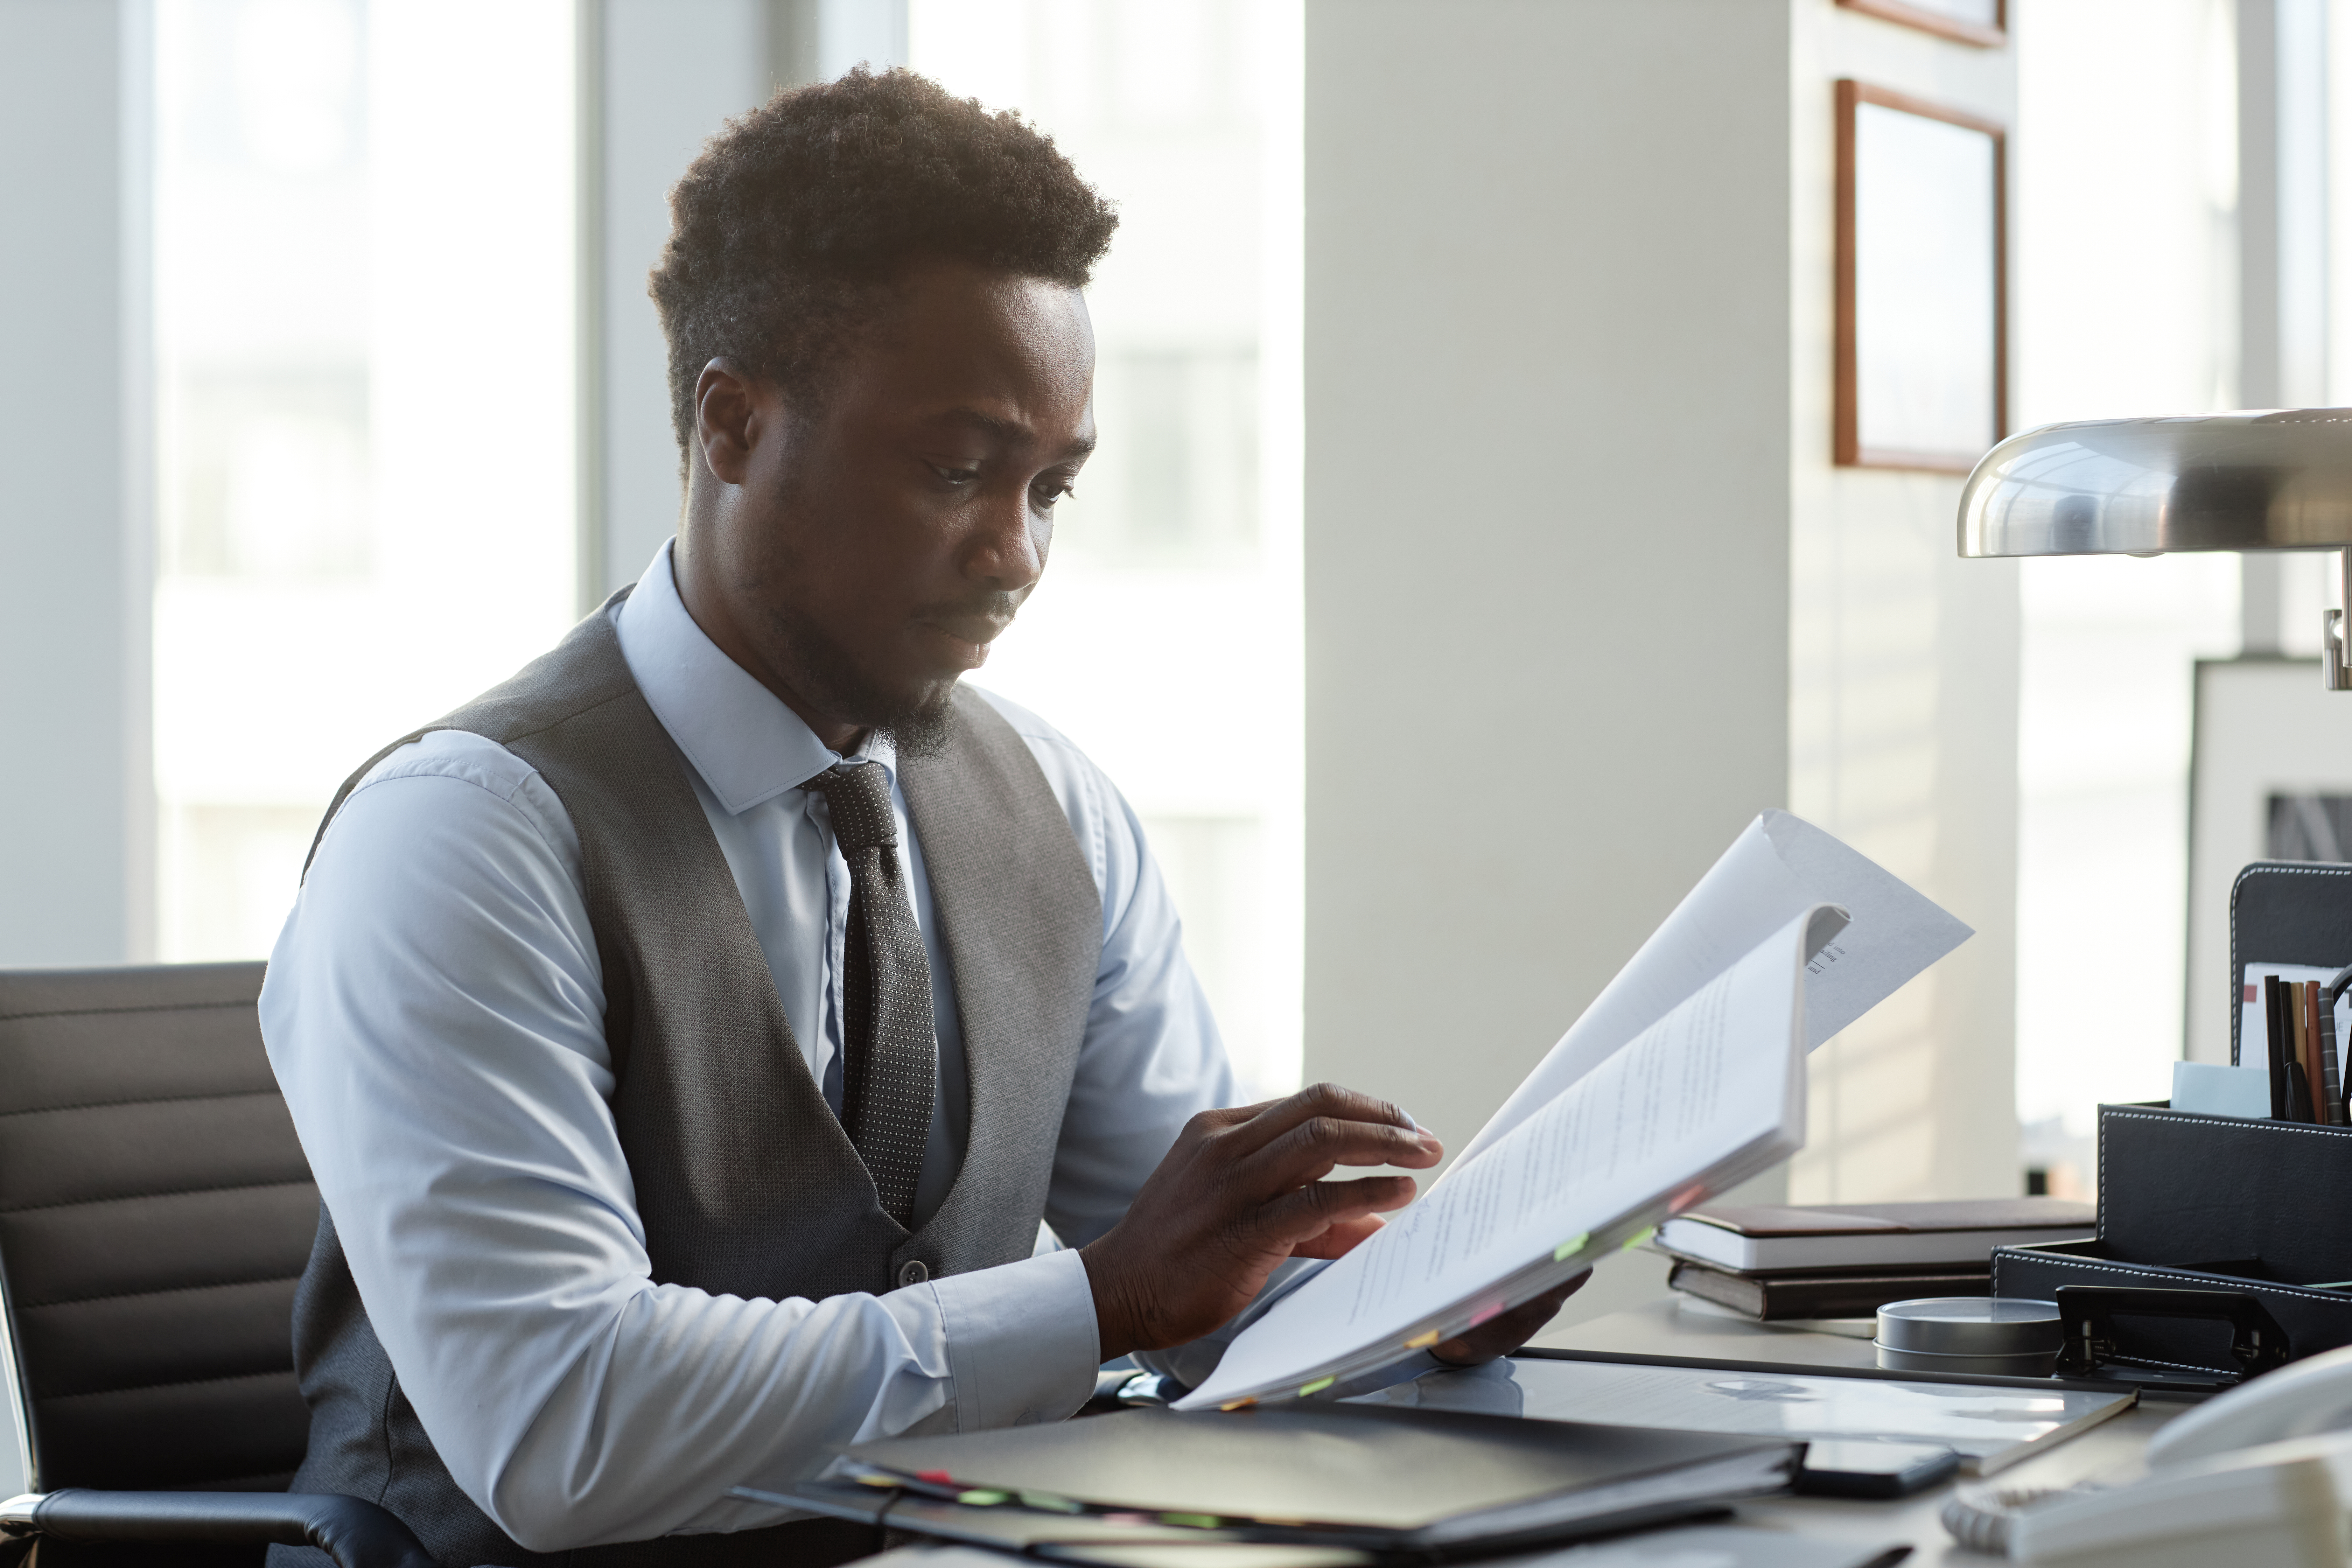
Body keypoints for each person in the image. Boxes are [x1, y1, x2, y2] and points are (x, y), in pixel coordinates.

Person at [261, 68, 1577, 1568]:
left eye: (1053, 488)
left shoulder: (1060, 814)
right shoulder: (463, 839)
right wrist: (1107, 1301)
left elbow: (1196, 1290)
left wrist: (1408, 1302)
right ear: (736, 426)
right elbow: (562, 1426)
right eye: (959, 470)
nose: (1016, 555)